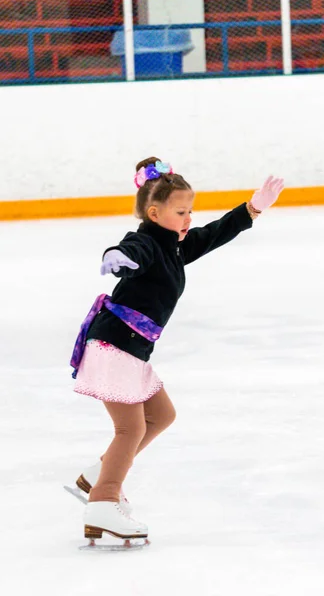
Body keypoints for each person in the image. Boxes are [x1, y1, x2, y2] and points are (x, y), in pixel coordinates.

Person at [70, 156, 284, 543]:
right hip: (114, 343)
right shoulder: (149, 242)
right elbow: (133, 250)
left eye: (190, 211)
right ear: (155, 212)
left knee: (161, 415)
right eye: (181, 211)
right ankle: (103, 500)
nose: (188, 219)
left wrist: (253, 208)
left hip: (130, 348)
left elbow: (213, 234)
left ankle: (96, 475)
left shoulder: (175, 247)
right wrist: (116, 258)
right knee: (130, 427)